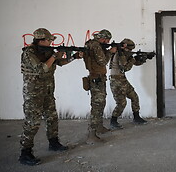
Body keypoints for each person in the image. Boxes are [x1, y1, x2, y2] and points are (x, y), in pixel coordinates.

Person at [20, 28, 83, 165]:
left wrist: (74, 56)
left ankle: (53, 142)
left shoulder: (48, 52)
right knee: (33, 122)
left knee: (52, 117)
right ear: (41, 40)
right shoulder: (29, 53)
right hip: (33, 93)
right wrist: (54, 56)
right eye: (49, 40)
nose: (51, 42)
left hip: (48, 91)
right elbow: (41, 68)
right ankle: (25, 153)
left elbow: (60, 63)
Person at [83, 29, 117, 144]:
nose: (108, 42)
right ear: (103, 39)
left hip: (97, 77)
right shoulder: (96, 46)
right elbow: (103, 62)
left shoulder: (92, 44)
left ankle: (99, 127)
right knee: (97, 105)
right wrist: (111, 52)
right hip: (96, 78)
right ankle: (91, 135)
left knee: (101, 103)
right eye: (107, 40)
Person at [109, 38, 148, 129]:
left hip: (122, 80)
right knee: (121, 103)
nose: (130, 51)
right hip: (116, 81)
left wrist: (143, 59)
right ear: (125, 47)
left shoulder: (124, 54)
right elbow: (125, 67)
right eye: (129, 50)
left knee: (134, 96)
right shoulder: (119, 54)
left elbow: (134, 63)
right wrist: (133, 59)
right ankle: (113, 121)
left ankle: (136, 117)